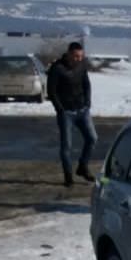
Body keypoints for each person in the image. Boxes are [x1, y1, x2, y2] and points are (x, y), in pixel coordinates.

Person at [47, 42, 97, 186]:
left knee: (92, 138)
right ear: (68, 54)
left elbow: (86, 84)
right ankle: (68, 177)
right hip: (66, 113)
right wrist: (60, 109)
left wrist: (87, 102)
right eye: (75, 56)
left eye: (81, 56)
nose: (78, 59)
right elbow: (52, 91)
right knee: (67, 146)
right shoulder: (57, 68)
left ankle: (82, 167)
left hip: (82, 110)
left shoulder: (82, 66)